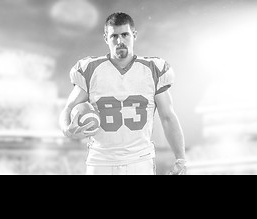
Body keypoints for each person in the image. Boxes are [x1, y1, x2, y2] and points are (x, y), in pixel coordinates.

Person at [59, 12, 186, 175]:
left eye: (125, 34)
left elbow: (168, 117)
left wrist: (181, 158)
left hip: (139, 160)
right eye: (114, 36)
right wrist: (65, 129)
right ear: (106, 38)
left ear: (134, 35)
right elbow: (68, 108)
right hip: (100, 160)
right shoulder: (90, 70)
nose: (120, 41)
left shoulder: (154, 69)